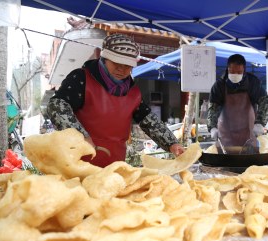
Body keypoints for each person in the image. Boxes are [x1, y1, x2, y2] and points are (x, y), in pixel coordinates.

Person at [47, 34, 184, 167]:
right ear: (104, 58)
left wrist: (172, 143)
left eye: (127, 65)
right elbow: (56, 105)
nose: (121, 69)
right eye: (116, 63)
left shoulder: (133, 91)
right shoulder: (81, 78)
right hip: (77, 163)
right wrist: (81, 137)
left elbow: (149, 120)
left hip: (115, 165)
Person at [207, 54, 268, 148]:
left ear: (244, 70)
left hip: (248, 134)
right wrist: (212, 127)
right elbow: (213, 109)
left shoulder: (252, 83)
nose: (235, 74)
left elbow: (265, 102)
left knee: (249, 160)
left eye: (239, 72)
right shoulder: (219, 85)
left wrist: (260, 123)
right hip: (225, 134)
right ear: (228, 69)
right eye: (232, 72)